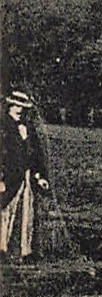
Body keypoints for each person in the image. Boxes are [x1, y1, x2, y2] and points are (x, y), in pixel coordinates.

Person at [1, 91, 51, 261]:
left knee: (26, 212)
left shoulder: (29, 128)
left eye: (23, 106)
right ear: (10, 105)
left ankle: (24, 249)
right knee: (6, 210)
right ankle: (2, 247)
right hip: (9, 176)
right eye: (17, 105)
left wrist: (39, 176)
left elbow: (35, 155)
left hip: (27, 177)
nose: (20, 109)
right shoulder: (3, 127)